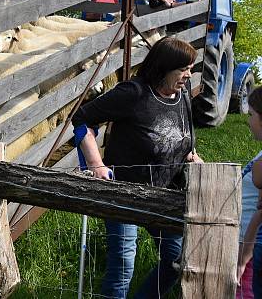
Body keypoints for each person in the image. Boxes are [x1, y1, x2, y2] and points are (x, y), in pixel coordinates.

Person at [74, 36, 202, 299]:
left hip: (166, 195)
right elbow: (82, 120)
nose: (189, 75)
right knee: (122, 268)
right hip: (126, 194)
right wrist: (96, 164)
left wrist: (190, 156)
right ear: (163, 67)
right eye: (183, 69)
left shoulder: (183, 96)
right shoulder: (133, 93)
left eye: (190, 69)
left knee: (177, 261)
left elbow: (183, 138)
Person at [238, 87, 262, 298]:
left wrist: (246, 251)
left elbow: (261, 210)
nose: (248, 122)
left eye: (252, 115)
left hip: (254, 248)